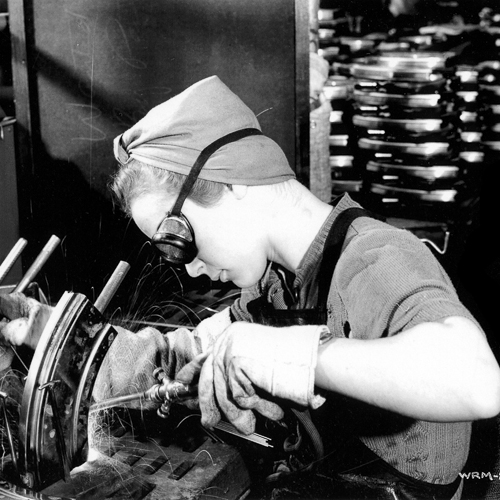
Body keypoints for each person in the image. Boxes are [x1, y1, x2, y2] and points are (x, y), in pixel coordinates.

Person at [1, 75, 500, 499]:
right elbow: (185, 361)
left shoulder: (375, 259)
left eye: (178, 240)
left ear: (236, 179)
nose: (189, 270)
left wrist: (287, 356)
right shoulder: (275, 288)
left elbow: (477, 380)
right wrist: (47, 329)